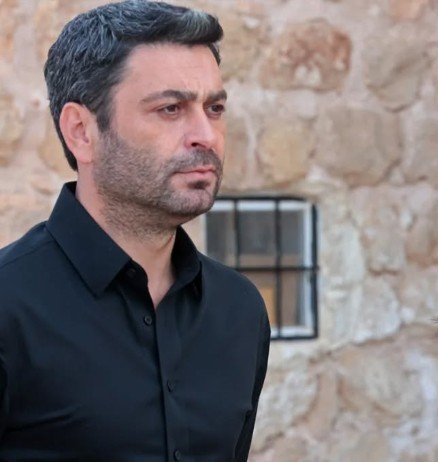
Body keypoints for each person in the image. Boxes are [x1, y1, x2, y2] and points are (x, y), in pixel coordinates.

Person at [0, 1, 270, 460]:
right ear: (81, 132)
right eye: (170, 108)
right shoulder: (9, 307)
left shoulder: (239, 310)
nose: (205, 134)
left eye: (214, 107)